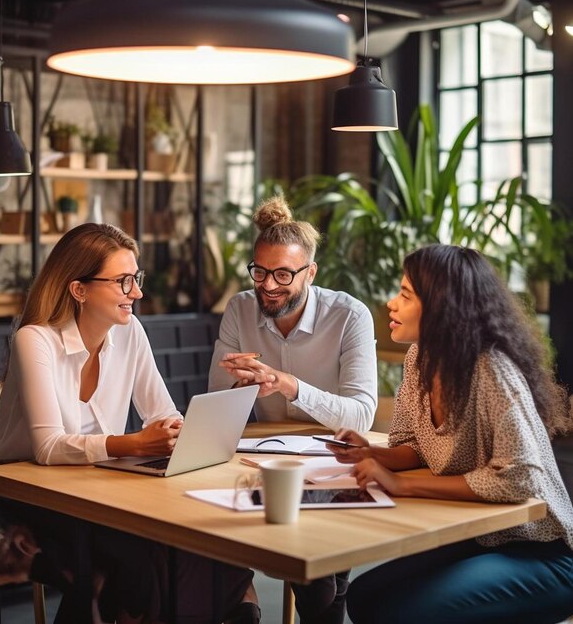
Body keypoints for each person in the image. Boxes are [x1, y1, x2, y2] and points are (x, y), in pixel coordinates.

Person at [0, 223, 258, 624]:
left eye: (136, 278)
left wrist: (181, 433)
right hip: (26, 493)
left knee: (192, 536)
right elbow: (49, 447)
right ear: (79, 289)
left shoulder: (129, 333)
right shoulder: (35, 340)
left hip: (96, 486)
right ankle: (234, 604)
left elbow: (162, 412)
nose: (138, 293)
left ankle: (223, 605)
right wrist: (135, 445)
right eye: (123, 281)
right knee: (142, 553)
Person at [328, 244, 573, 624]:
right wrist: (373, 456)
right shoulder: (419, 358)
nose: (391, 304)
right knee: (364, 597)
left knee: (405, 614)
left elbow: (520, 478)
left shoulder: (492, 369)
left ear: (442, 307)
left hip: (543, 551)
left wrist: (399, 484)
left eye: (406, 295)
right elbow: (414, 445)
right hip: (483, 538)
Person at [208, 197, 378, 624]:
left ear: (311, 272)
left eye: (283, 274)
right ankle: (245, 602)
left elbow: (361, 416)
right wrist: (237, 383)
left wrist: (289, 385)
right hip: (261, 459)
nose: (268, 285)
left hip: (332, 462)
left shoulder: (349, 316)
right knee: (212, 536)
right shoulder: (239, 308)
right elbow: (215, 400)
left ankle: (323, 597)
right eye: (260, 271)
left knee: (316, 573)